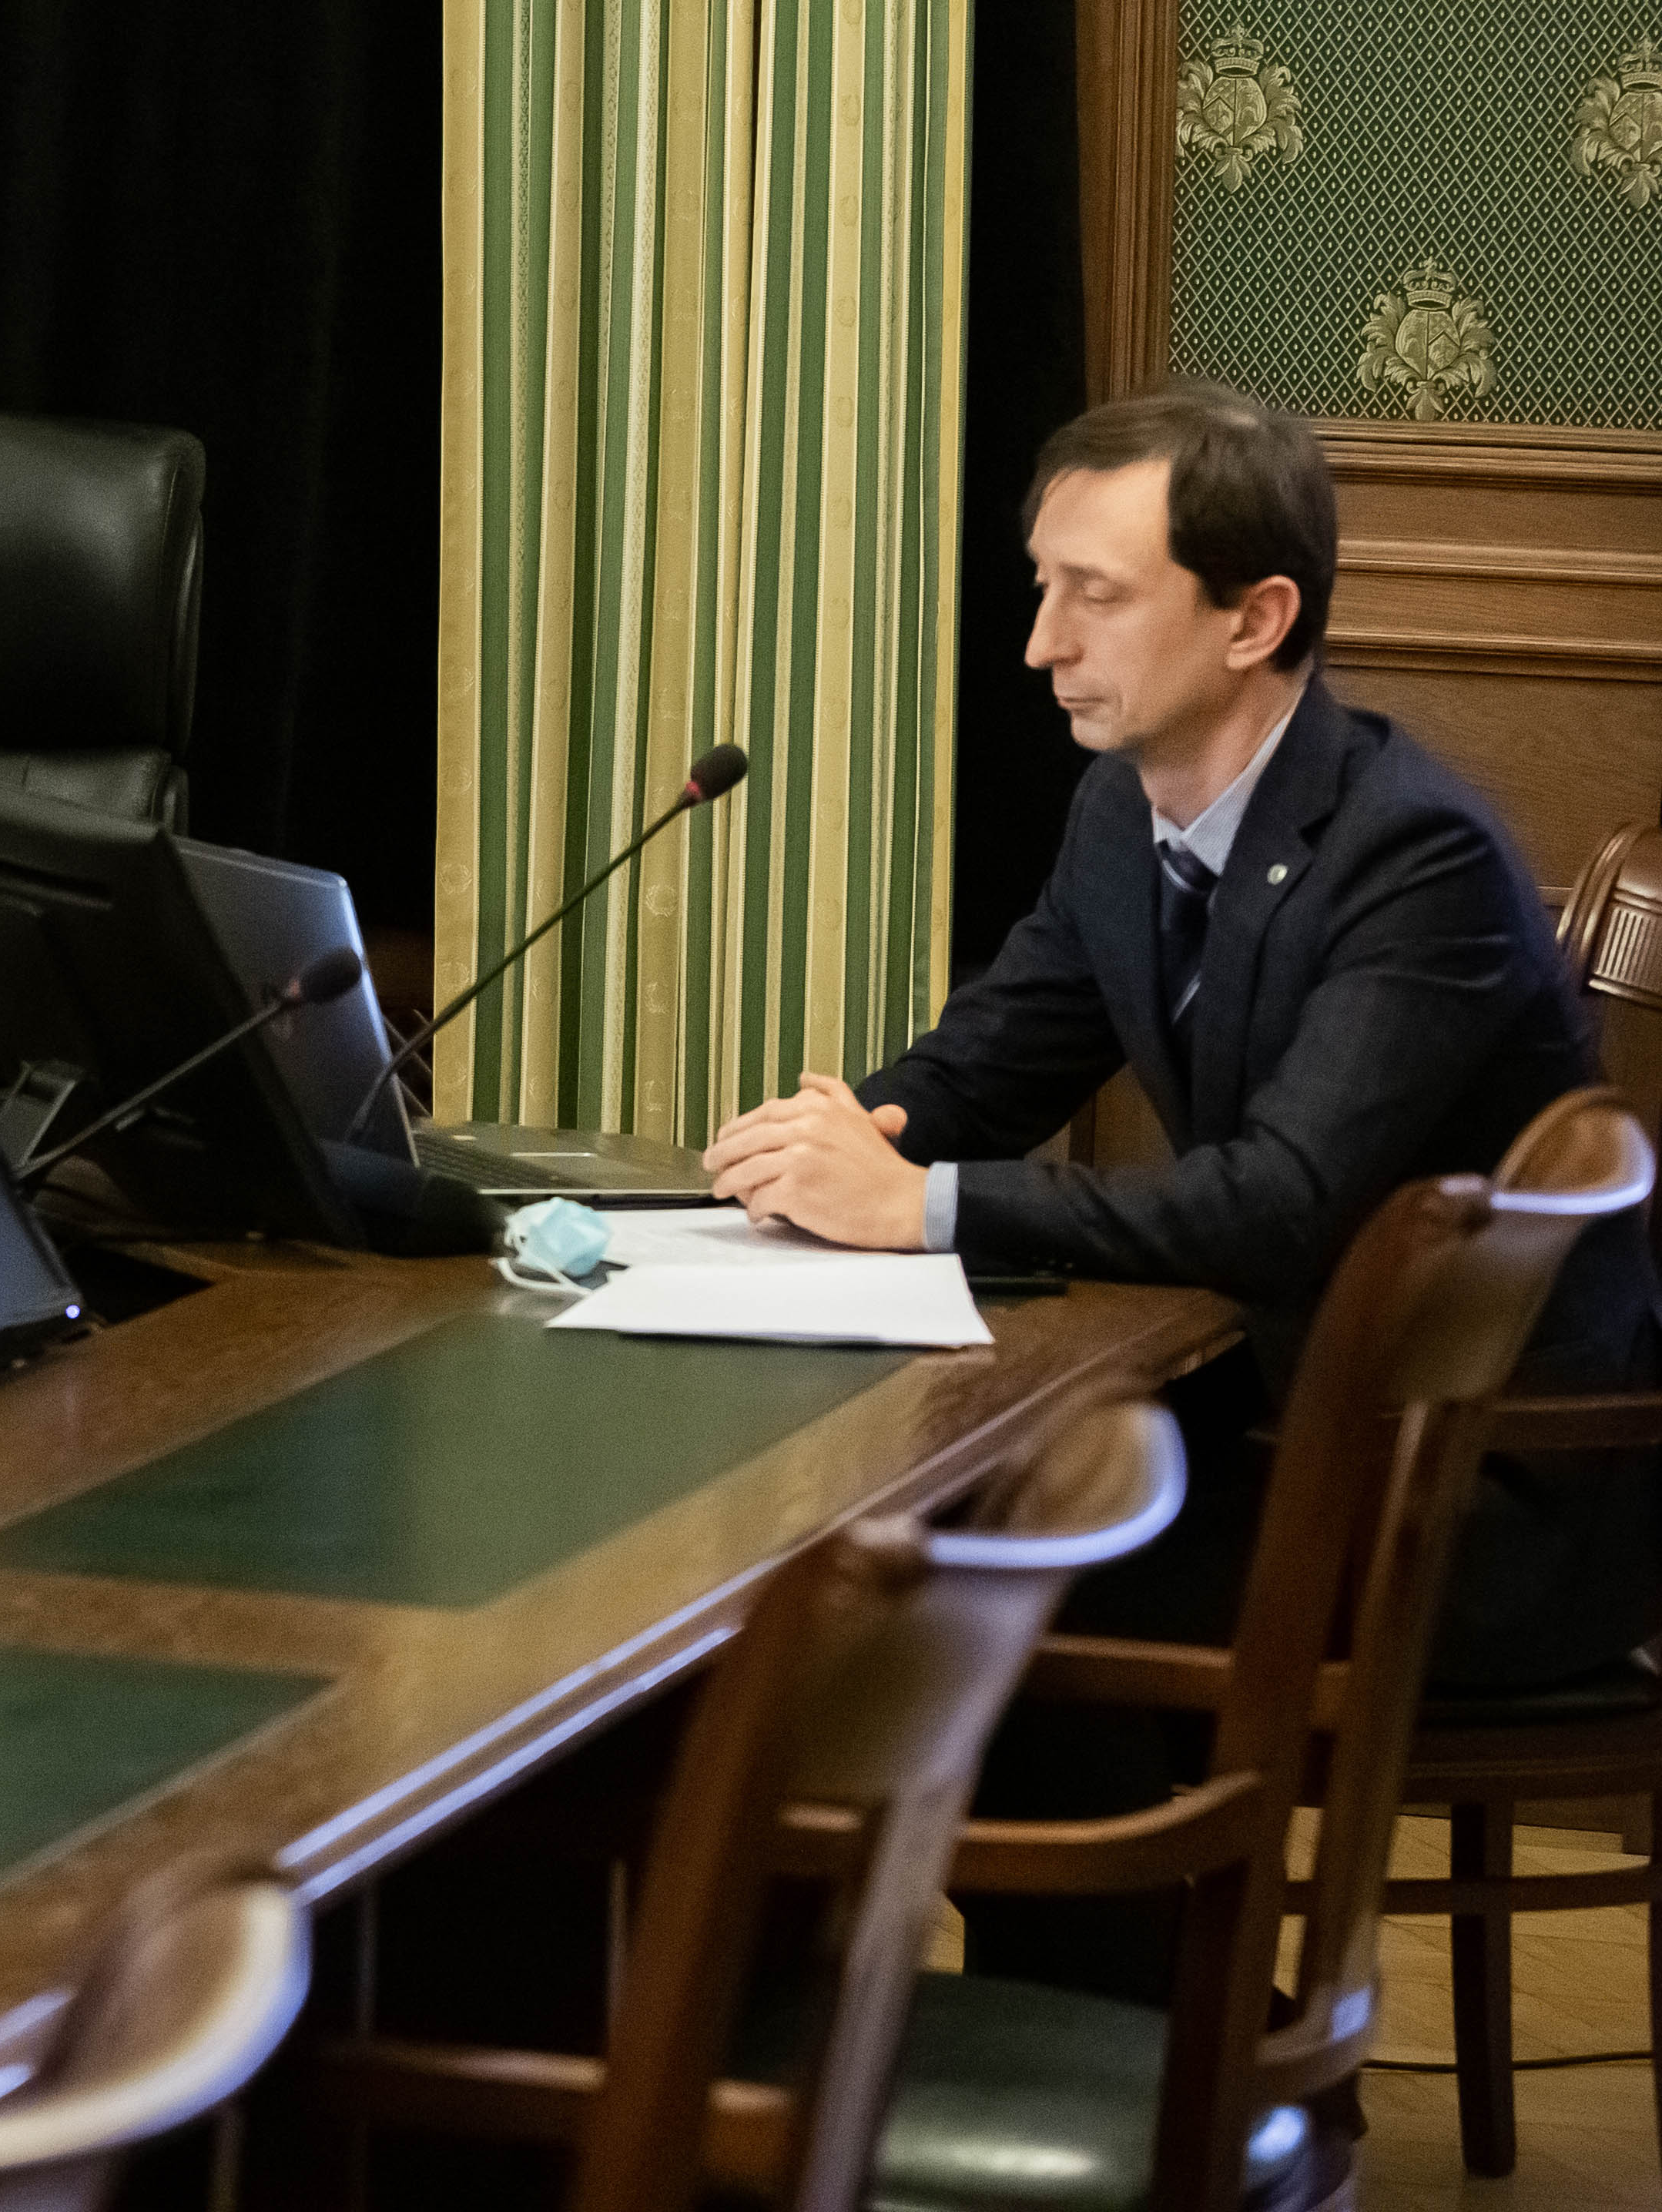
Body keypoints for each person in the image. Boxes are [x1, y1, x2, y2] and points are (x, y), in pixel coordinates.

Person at [702, 384, 1659, 1992]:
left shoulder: (1409, 854)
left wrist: (918, 1207)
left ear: (1254, 618)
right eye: (1042, 588)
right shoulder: (1122, 806)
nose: (1041, 644)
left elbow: (1279, 1203)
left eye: (1095, 594)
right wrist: (840, 1141)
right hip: (1312, 1425)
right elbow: (993, 1062)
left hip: (1478, 1508)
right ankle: (1118, 2035)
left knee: (982, 1597)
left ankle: (1160, 2056)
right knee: (941, 1536)